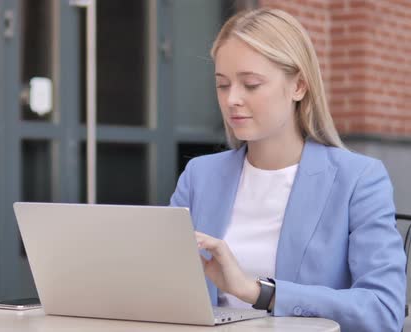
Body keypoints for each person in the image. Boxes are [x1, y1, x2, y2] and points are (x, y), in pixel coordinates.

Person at [169, 8, 406, 332]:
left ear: (298, 86)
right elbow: (165, 285)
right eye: (223, 85)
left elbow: (382, 311)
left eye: (250, 84)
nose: (232, 99)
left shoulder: (358, 180)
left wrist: (259, 292)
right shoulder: (199, 176)